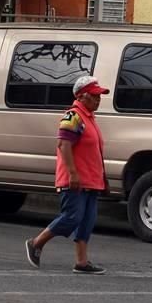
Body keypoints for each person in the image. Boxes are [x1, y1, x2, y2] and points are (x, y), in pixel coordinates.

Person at [25, 76, 109, 275]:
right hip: (75, 180)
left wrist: (102, 178)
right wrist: (73, 173)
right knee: (72, 217)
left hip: (91, 180)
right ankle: (36, 243)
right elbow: (64, 145)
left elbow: (95, 151)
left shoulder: (89, 118)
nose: (99, 100)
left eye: (99, 96)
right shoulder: (73, 116)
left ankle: (81, 261)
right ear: (82, 96)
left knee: (87, 220)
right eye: (95, 96)